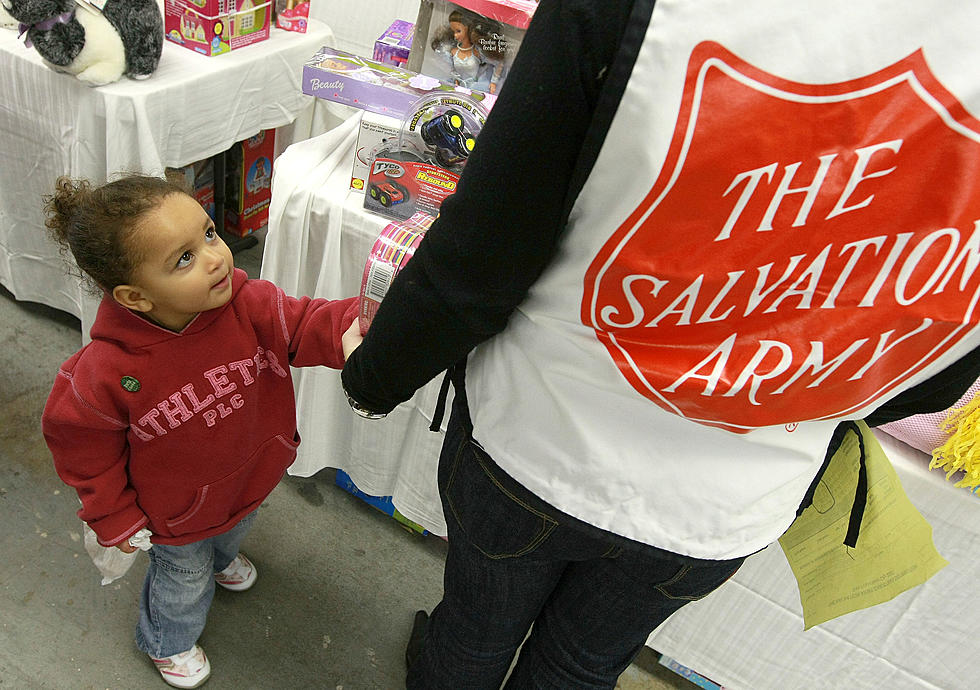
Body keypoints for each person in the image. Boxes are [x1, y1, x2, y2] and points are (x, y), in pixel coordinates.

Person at [341, 0, 980, 687]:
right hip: (730, 498)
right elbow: (931, 377)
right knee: (580, 664)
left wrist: (374, 375)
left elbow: (482, 255)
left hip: (544, 430)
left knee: (473, 631)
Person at [41, 174, 362, 688]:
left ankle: (220, 559)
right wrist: (114, 516)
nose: (215, 258)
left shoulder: (247, 304)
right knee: (182, 581)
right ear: (136, 296)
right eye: (183, 258)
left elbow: (304, 324)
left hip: (251, 479)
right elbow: (84, 454)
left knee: (234, 532)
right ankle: (167, 642)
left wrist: (357, 323)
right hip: (172, 515)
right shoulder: (103, 374)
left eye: (209, 234)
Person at [430, 9, 506, 94]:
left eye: (458, 31)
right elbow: (453, 70)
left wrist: (493, 82)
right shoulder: (453, 52)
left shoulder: (477, 52)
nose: (455, 35)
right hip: (458, 87)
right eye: (453, 31)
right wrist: (456, 79)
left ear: (468, 29)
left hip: (476, 88)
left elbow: (499, 63)